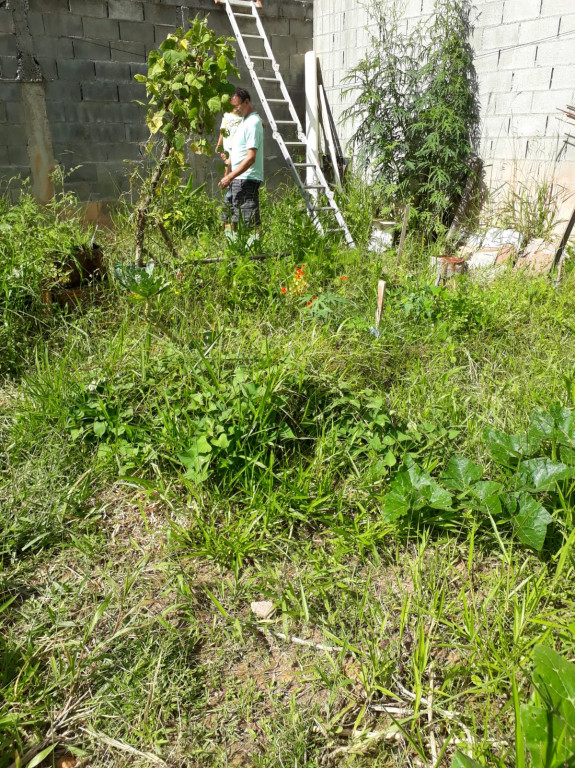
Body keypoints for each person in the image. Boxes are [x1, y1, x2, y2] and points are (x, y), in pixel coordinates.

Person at [218, 87, 264, 231]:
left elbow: (251, 158)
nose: (235, 110)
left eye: (237, 106)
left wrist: (230, 176)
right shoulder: (244, 122)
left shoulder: (252, 123)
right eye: (233, 107)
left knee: (248, 220)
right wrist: (229, 160)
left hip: (246, 179)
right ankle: (232, 251)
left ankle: (254, 252)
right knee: (229, 218)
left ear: (246, 102)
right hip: (237, 178)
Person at [216, 109, 242, 227]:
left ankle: (230, 223)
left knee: (233, 189)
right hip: (229, 149)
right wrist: (219, 145)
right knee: (230, 190)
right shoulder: (227, 115)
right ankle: (227, 224)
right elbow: (222, 131)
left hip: (237, 151)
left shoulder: (244, 117)